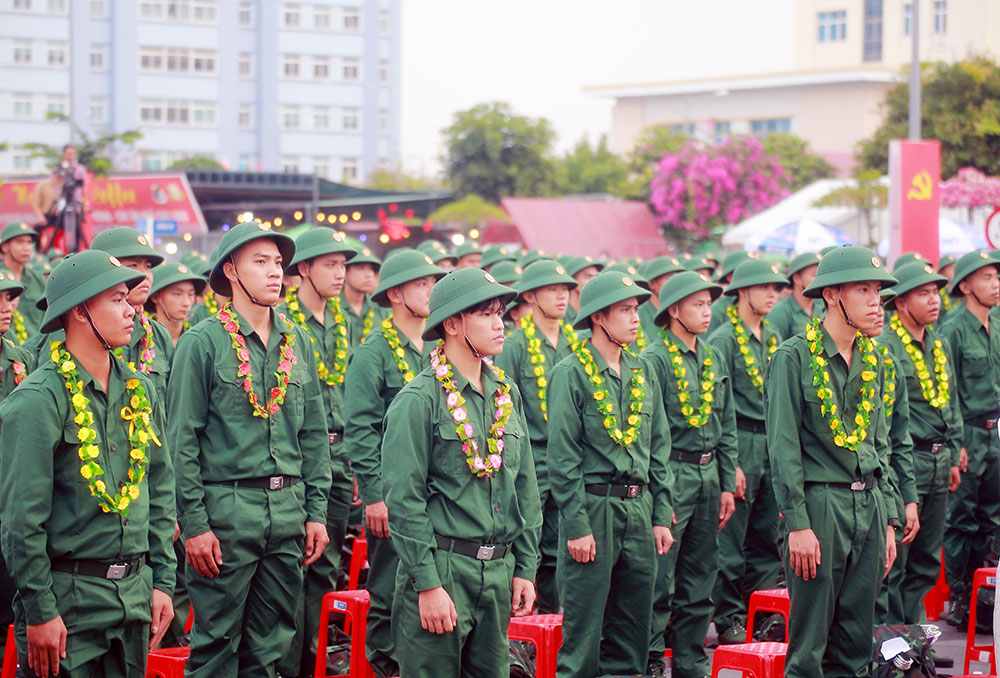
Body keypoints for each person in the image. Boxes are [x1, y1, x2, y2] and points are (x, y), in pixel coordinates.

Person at [166, 221, 331, 677]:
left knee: (271, 647)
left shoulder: (297, 341)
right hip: (227, 513)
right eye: (260, 262)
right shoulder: (203, 342)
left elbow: (314, 433)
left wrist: (315, 511)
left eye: (278, 262)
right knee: (217, 645)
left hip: (287, 510)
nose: (275, 271)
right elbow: (181, 442)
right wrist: (194, 524)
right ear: (232, 271)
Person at [0, 250, 176, 677]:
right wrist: (41, 610)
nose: (132, 308)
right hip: (67, 604)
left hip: (133, 596)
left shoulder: (140, 390)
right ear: (80, 311)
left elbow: (160, 488)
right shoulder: (38, 400)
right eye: (116, 299)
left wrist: (162, 583)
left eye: (128, 297)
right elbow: (22, 521)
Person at [381, 267, 541, 678]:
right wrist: (428, 585)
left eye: (499, 313)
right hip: (446, 567)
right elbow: (405, 500)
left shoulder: (506, 393)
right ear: (452, 324)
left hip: (499, 569)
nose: (499, 323)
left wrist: (525, 567)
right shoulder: (418, 400)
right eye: (485, 314)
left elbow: (524, 488)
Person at [766, 245, 899, 677]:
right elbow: (783, 448)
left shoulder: (874, 358)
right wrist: (798, 524)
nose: (875, 300)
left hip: (869, 505)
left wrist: (889, 520)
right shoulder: (793, 356)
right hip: (820, 507)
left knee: (857, 642)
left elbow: (881, 446)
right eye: (863, 289)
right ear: (832, 296)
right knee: (809, 647)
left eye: (877, 290)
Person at [548, 270, 674, 678]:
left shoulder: (642, 370)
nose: (636, 318)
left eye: (636, 309)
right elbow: (563, 458)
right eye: (624, 310)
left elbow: (659, 448)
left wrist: (659, 515)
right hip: (595, 508)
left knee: (633, 628)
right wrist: (577, 526)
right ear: (599, 317)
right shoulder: (570, 373)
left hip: (639, 509)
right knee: (584, 631)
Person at [343, 249, 445, 677]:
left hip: (436, 494)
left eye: (433, 283)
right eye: (422, 284)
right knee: (388, 585)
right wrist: (375, 495)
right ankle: (385, 663)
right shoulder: (373, 353)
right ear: (398, 294)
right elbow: (361, 429)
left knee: (429, 583)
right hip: (394, 495)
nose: (432, 291)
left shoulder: (440, 348)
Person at [642, 270, 738, 677]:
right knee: (660, 578)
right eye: (697, 304)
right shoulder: (655, 359)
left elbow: (727, 422)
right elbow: (648, 435)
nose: (706, 311)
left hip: (709, 472)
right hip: (672, 472)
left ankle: (691, 661)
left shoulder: (712, 355)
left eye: (709, 303)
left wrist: (728, 482)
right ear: (674, 310)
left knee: (701, 574)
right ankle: (650, 658)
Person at [275, 228, 361, 677]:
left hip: (337, 455)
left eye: (343, 264)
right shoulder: (284, 321)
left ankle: (312, 663)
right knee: (290, 569)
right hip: (298, 456)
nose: (340, 273)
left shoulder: (343, 322)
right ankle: (287, 665)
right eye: (329, 264)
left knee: (325, 569)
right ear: (303, 269)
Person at [706, 260, 788, 644]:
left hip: (771, 441)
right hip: (741, 439)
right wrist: (731, 462)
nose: (773, 293)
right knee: (732, 541)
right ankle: (728, 617)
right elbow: (719, 407)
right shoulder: (723, 339)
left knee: (767, 536)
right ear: (742, 291)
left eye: (777, 287)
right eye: (764, 286)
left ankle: (764, 614)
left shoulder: (773, 336)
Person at [879, 261, 963, 624]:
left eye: (936, 293)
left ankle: (913, 642)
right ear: (900, 302)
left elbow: (951, 400)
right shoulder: (885, 347)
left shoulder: (939, 343)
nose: (935, 300)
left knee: (927, 560)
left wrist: (956, 452)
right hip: (906, 461)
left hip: (939, 459)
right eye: (923, 293)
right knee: (896, 559)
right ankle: (891, 645)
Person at [495, 260, 580, 615]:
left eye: (565, 289)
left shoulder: (576, 343)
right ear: (530, 296)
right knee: (527, 544)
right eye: (552, 289)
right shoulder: (514, 346)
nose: (562, 295)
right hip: (532, 459)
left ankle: (555, 624)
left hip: (571, 458)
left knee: (564, 547)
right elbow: (504, 409)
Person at [939, 250, 1000, 628]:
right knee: (962, 520)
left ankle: (986, 596)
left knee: (993, 517)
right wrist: (955, 440)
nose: (995, 284)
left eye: (996, 277)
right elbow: (947, 392)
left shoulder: (998, 322)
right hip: (969, 434)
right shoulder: (953, 329)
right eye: (986, 278)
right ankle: (960, 596)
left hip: (997, 433)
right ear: (965, 286)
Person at [89, 228, 174, 403]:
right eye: (133, 266)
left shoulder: (157, 333)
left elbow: (171, 406)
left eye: (148, 267)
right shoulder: (84, 329)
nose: (145, 275)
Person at [0, 272, 34, 660]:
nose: (8, 306)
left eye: (11, 298)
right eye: (1, 298)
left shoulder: (22, 360)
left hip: (11, 506)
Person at [0, 222, 46, 338]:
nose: (27, 247)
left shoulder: (38, 279)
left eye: (30, 242)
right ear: (5, 246)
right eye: (20, 242)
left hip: (35, 350)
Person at [146, 262, 207, 346]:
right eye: (177, 294)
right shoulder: (143, 340)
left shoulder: (198, 340)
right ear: (156, 297)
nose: (186, 303)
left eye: (191, 294)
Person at [768, 252, 823, 341]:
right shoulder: (781, 312)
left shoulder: (823, 308)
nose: (819, 280)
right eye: (814, 275)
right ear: (797, 278)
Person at [341, 245, 387, 346]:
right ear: (345, 271)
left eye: (372, 269)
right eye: (361, 268)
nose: (369, 274)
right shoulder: (331, 307)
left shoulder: (381, 308)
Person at [636, 256, 686, 335]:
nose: (674, 284)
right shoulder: (639, 317)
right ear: (652, 284)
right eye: (669, 278)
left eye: (677, 279)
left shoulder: (681, 313)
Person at [563, 256, 604, 326]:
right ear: (572, 280)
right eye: (588, 276)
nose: (594, 281)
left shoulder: (596, 314)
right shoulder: (561, 314)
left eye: (596, 277)